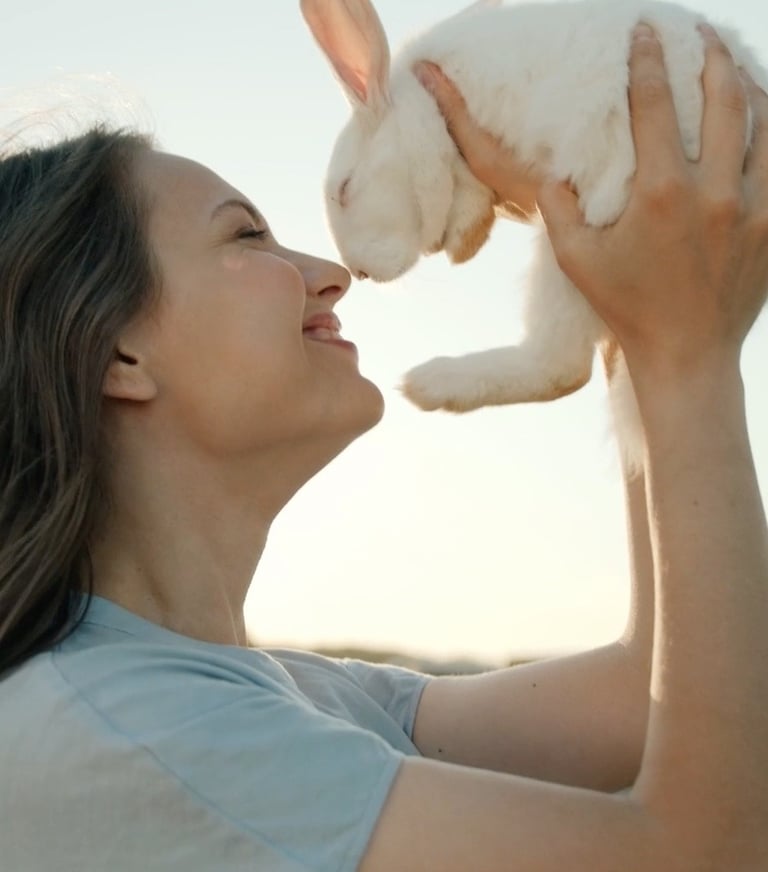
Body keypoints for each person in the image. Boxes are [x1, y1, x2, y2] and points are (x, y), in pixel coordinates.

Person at [0, 19, 766, 871]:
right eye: (246, 235)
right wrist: (686, 356)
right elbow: (707, 849)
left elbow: (651, 702)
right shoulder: (127, 732)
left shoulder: (286, 698)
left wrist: (623, 274)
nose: (331, 274)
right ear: (118, 353)